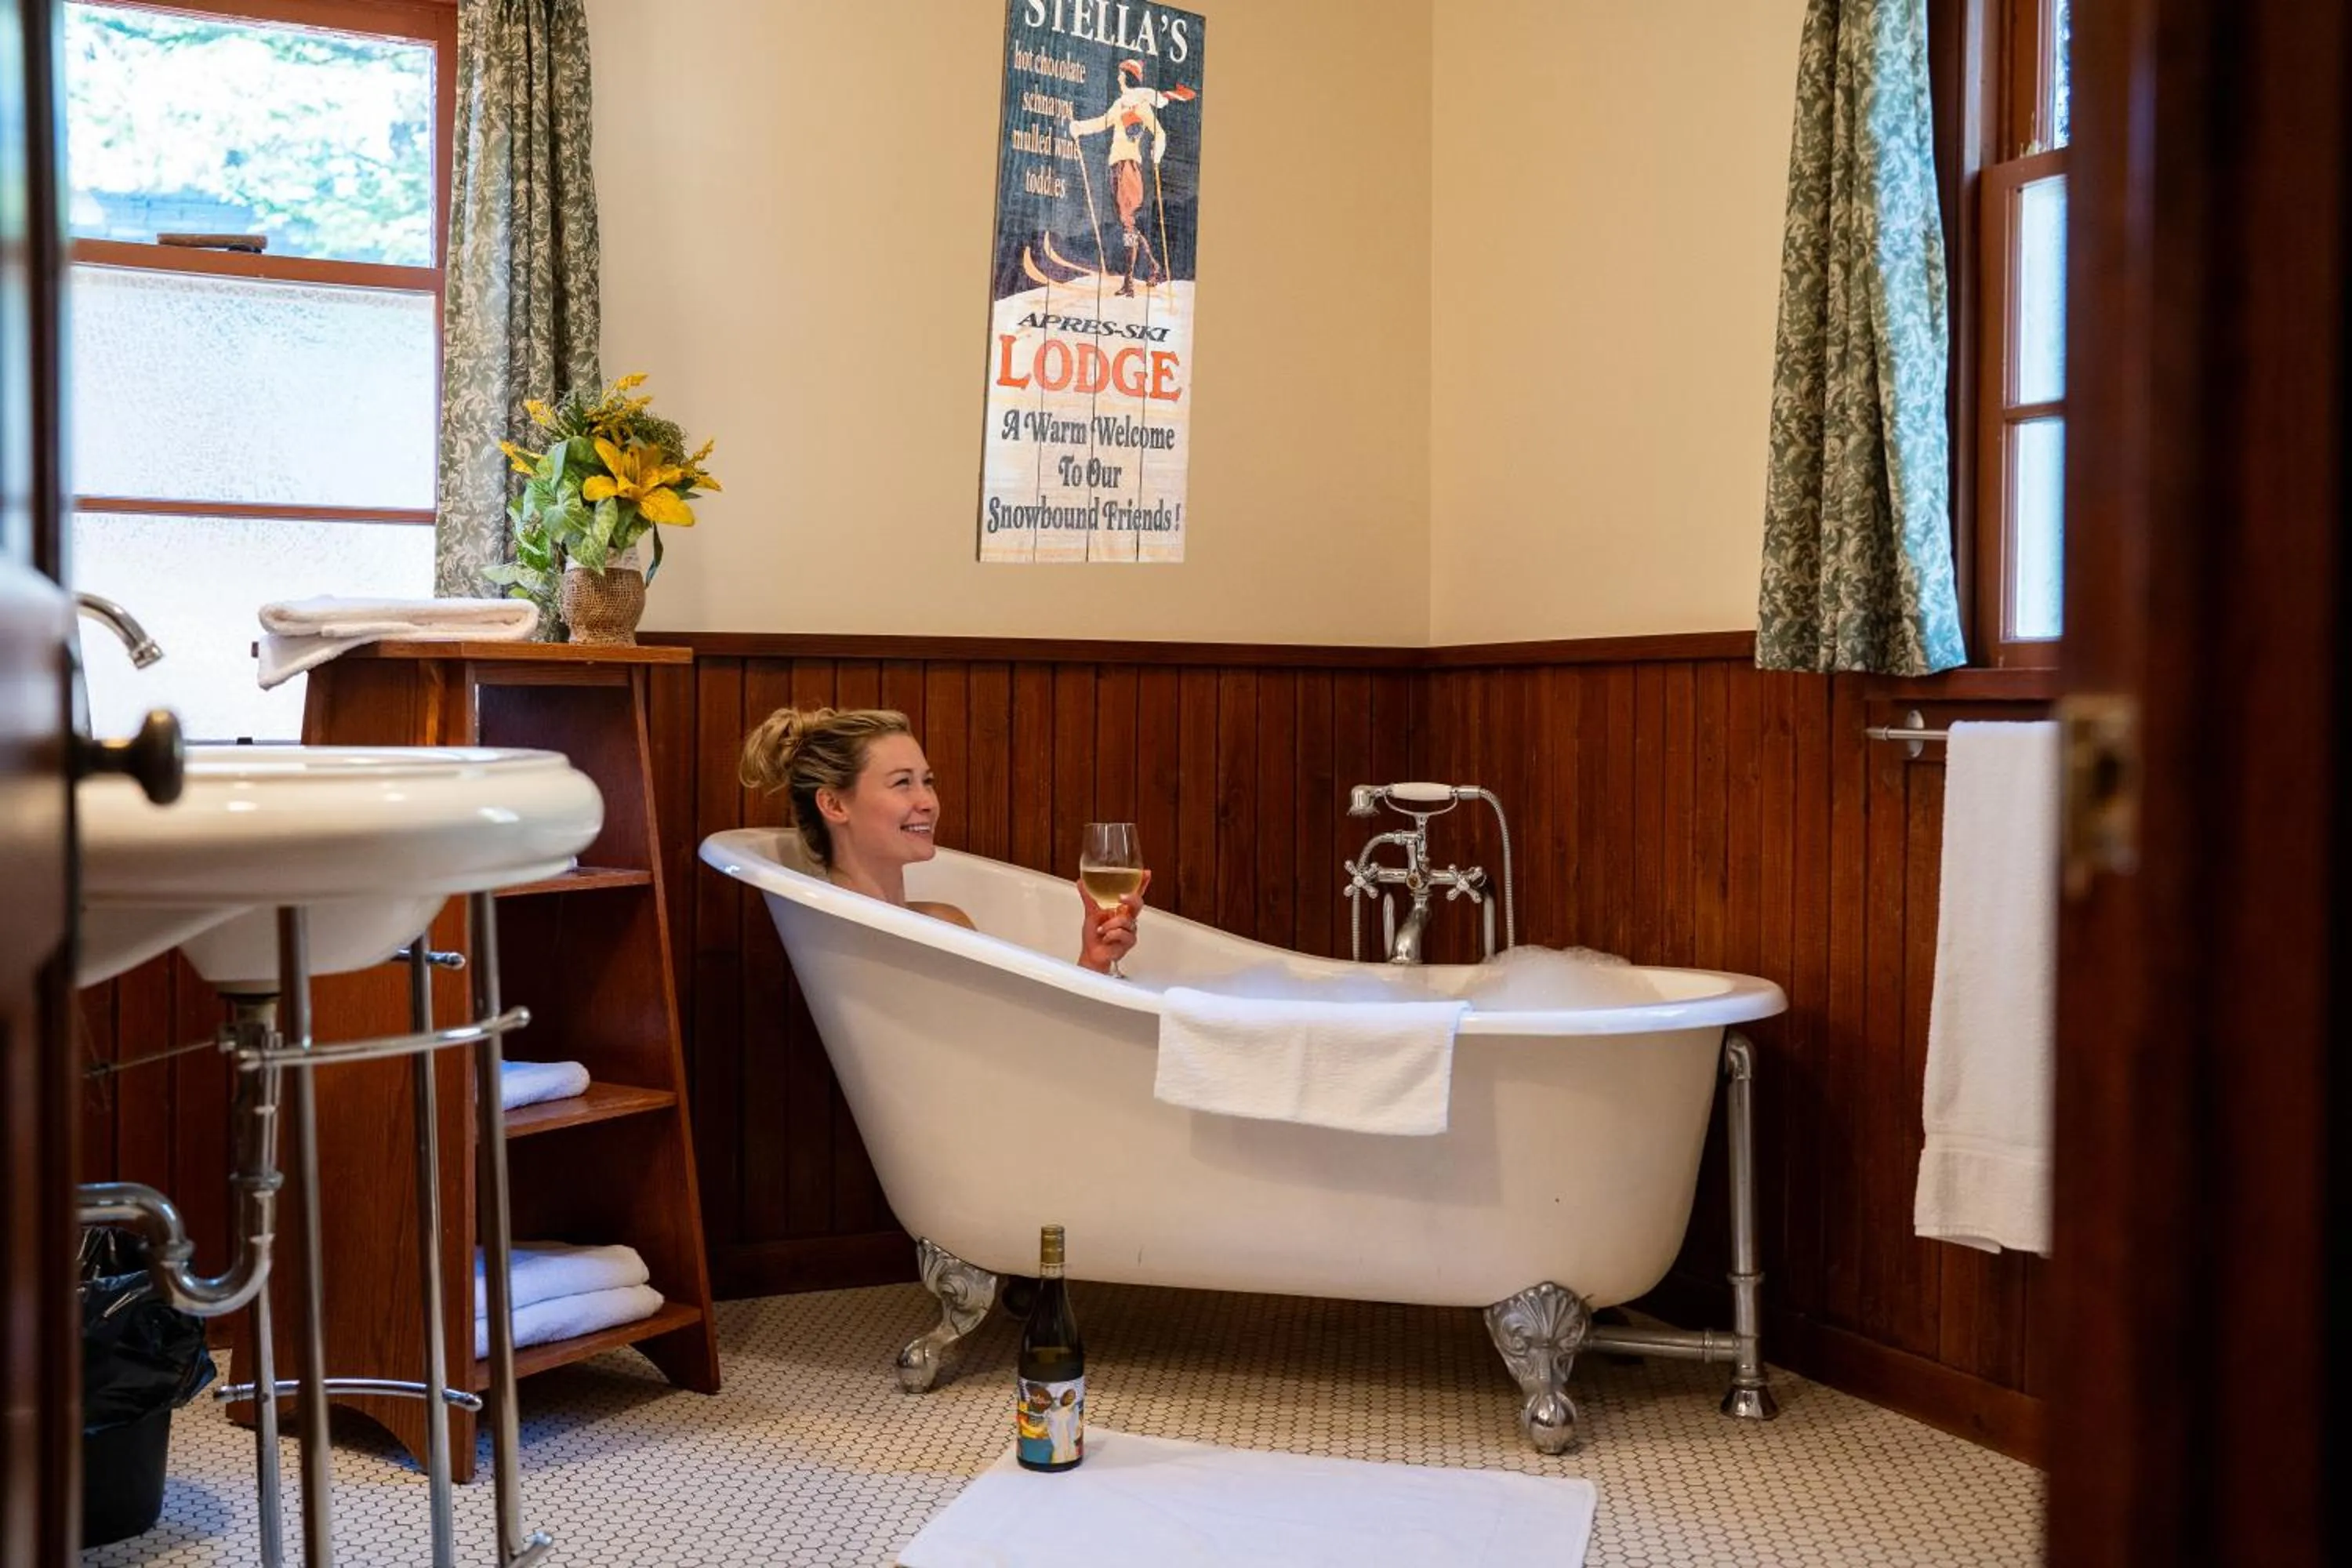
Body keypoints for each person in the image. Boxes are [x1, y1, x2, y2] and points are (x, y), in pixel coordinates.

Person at [739, 705, 1144, 974]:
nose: (928, 802)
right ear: (833, 804)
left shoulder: (947, 922)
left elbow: (1017, 1048)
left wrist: (1093, 959)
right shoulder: (839, 943)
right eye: (902, 783)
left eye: (927, 782)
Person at [1069, 57, 1197, 296]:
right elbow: (1102, 122)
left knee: (1128, 222)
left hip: (1129, 167)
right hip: (1115, 166)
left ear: (1127, 78)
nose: (1118, 78)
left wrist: (1157, 156)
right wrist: (1080, 128)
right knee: (1127, 222)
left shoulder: (1141, 106)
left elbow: (1160, 133)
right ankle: (1153, 266)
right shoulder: (1120, 104)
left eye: (1121, 75)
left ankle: (1129, 281)